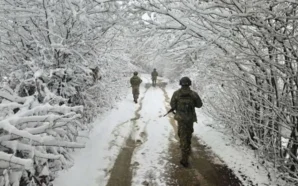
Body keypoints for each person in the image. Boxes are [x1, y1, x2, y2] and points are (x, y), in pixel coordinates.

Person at [170, 77, 203, 167]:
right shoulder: (193, 94)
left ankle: (184, 157)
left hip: (181, 118)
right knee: (189, 133)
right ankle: (187, 146)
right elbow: (199, 105)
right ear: (189, 84)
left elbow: (172, 105)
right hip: (190, 118)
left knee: (182, 134)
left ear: (180, 83)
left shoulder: (176, 93)